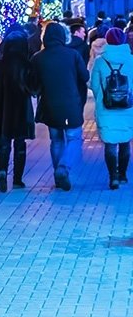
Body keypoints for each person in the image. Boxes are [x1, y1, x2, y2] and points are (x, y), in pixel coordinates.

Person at [29, 22, 89, 191]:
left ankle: (57, 172)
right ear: (64, 36)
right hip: (71, 104)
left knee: (56, 140)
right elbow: (84, 76)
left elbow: (33, 85)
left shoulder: (38, 57)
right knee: (73, 138)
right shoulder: (72, 55)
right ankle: (64, 168)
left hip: (49, 106)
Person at [0, 30, 35, 193]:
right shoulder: (27, 64)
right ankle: (18, 179)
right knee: (20, 144)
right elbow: (33, 88)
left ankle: (2, 172)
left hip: (1, 110)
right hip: (21, 110)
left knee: (3, 143)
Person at [90, 28, 133, 189]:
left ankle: (113, 177)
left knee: (110, 143)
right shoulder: (131, 60)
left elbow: (94, 85)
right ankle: (122, 175)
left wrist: (101, 98)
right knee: (124, 142)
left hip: (106, 108)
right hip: (128, 108)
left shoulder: (100, 61)